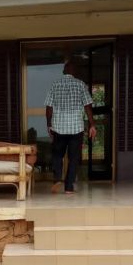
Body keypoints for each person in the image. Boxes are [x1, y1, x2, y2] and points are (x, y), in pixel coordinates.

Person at [45, 58, 96, 194]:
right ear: (74, 72)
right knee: (73, 158)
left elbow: (49, 107)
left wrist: (49, 124)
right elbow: (87, 107)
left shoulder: (55, 85)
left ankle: (57, 178)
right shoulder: (81, 85)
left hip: (59, 128)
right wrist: (92, 124)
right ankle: (68, 187)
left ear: (63, 71)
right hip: (76, 129)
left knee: (57, 155)